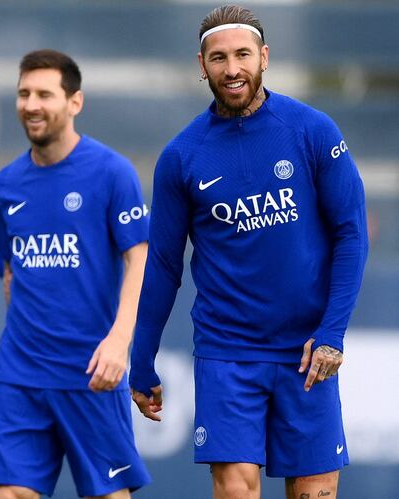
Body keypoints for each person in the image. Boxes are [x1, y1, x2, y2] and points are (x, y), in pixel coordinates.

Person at [129, 5, 368, 499]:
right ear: (202, 65)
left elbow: (351, 235)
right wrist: (142, 358)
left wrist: (332, 333)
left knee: (316, 492)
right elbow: (164, 265)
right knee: (237, 489)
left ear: (264, 57)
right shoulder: (181, 156)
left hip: (307, 351)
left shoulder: (312, 130)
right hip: (228, 353)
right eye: (219, 58)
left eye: (242, 55)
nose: (232, 69)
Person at [0, 49, 152, 499]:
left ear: (74, 102)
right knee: (11, 494)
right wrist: (13, 341)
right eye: (23, 93)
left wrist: (120, 342)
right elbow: (10, 269)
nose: (31, 104)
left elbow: (140, 259)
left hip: (91, 371)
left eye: (44, 94)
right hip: (21, 375)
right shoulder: (5, 185)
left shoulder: (112, 172)